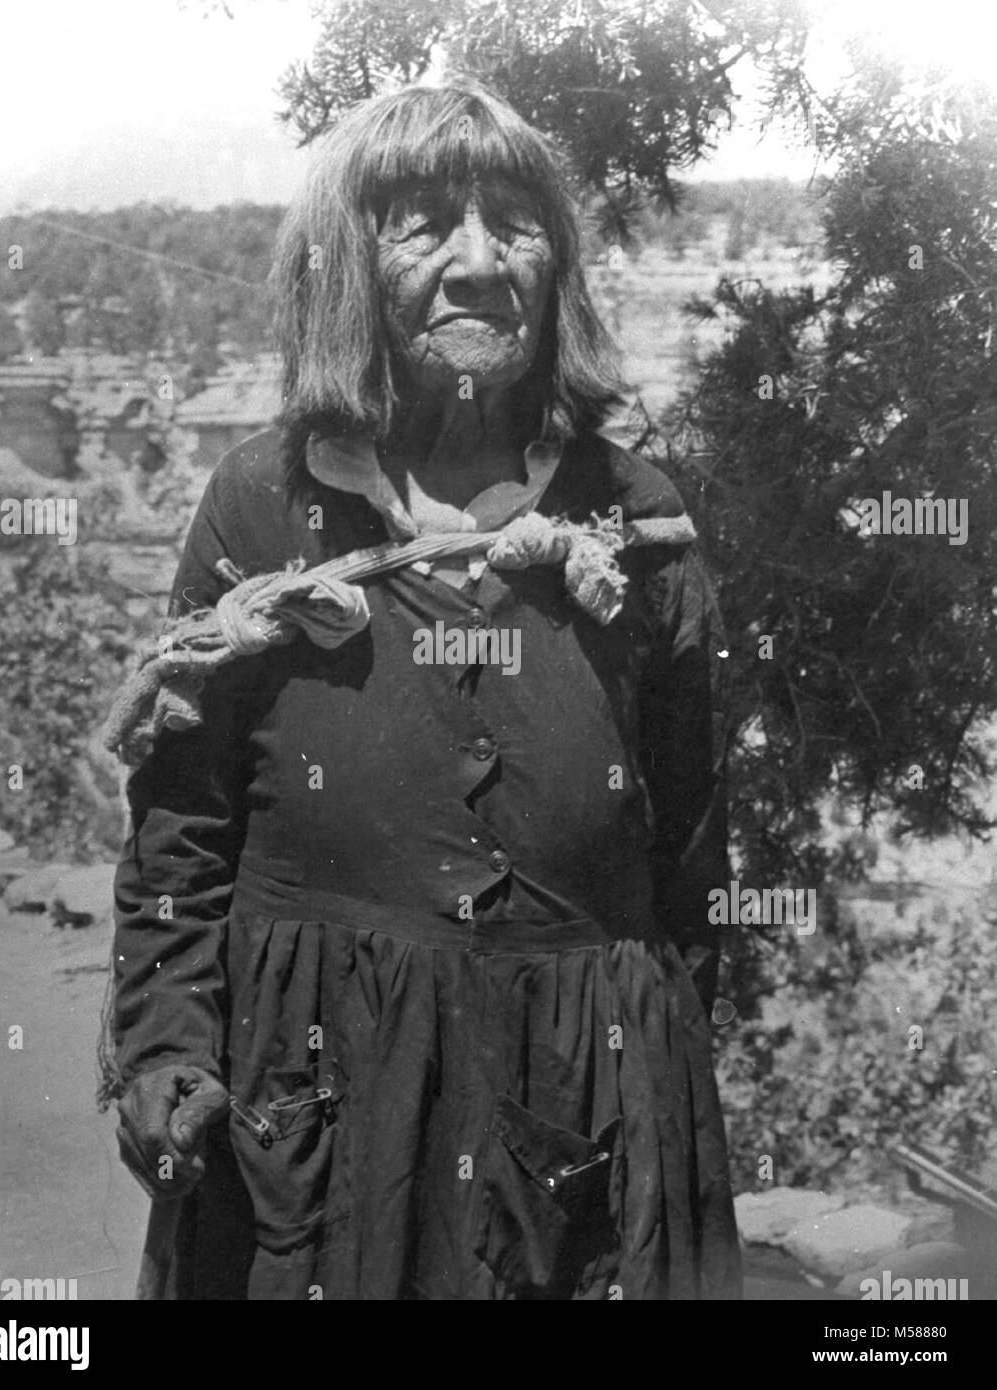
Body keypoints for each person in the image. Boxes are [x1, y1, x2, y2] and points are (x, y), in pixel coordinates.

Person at [107, 80, 741, 1300]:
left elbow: (693, 852)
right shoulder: (266, 507)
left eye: (514, 221)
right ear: (351, 267)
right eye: (422, 228)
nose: (479, 264)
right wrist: (167, 1051)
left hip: (586, 1104)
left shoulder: (639, 523)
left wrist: (658, 1086)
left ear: (557, 267)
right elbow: (181, 836)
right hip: (320, 1106)